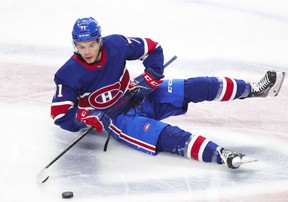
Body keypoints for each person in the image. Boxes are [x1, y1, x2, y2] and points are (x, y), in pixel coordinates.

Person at [51, 17, 285, 169]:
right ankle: (222, 155)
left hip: (139, 93)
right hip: (118, 119)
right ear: (74, 45)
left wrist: (151, 74)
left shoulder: (116, 44)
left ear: (99, 40)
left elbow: (152, 48)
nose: (87, 51)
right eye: (81, 46)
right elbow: (61, 115)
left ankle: (254, 89)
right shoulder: (68, 73)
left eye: (91, 44)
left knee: (196, 85)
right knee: (167, 135)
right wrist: (86, 117)